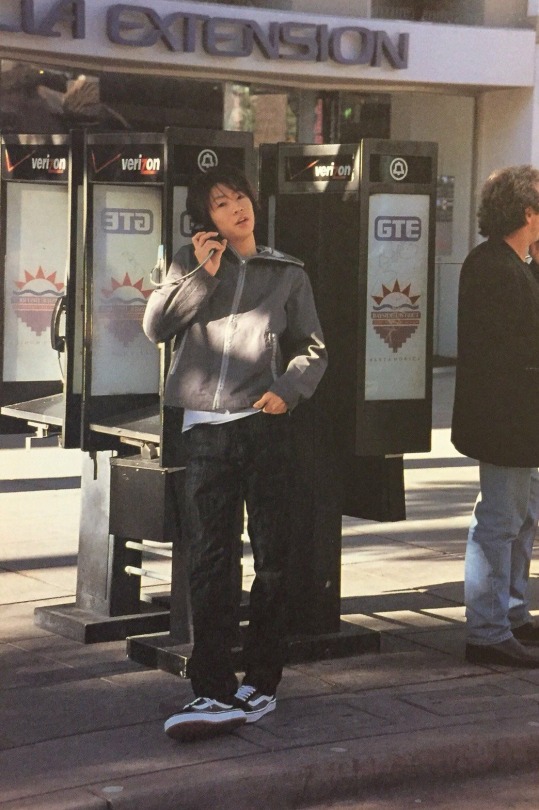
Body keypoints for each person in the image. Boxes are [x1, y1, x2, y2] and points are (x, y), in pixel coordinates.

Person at [143, 165, 327, 741]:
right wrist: (202, 272)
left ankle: (262, 681)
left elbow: (313, 348)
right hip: (204, 431)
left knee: (272, 559)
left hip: (263, 427)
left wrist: (289, 389)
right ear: (206, 218)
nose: (236, 209)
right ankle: (212, 688)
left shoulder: (287, 272)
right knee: (209, 560)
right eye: (221, 204)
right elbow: (156, 327)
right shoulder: (188, 263)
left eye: (240, 197)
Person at [452, 164, 539, 668]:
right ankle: (487, 632)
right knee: (500, 521)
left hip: (521, 420)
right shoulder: (492, 266)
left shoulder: (514, 262)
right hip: (505, 419)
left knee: (522, 518)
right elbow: (513, 344)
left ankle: (512, 613)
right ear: (528, 212)